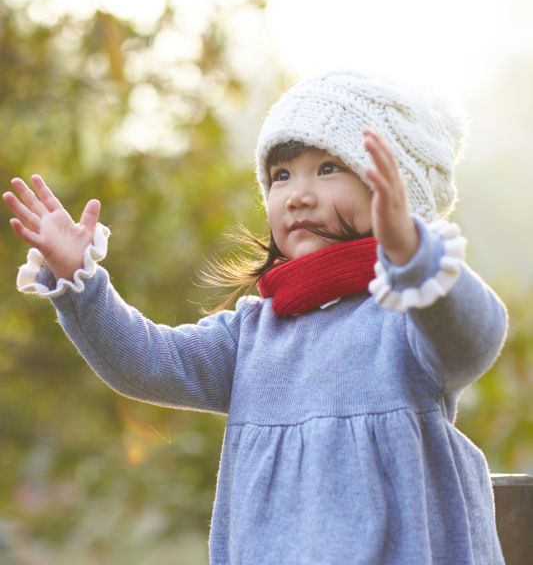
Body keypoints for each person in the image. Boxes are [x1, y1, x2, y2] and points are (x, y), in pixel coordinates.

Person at [3, 69, 508, 565]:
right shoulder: (252, 334)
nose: (298, 194)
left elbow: (477, 336)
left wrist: (416, 258)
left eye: (329, 168)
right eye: (281, 175)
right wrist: (81, 284)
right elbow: (147, 360)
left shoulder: (409, 318)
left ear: (399, 194)